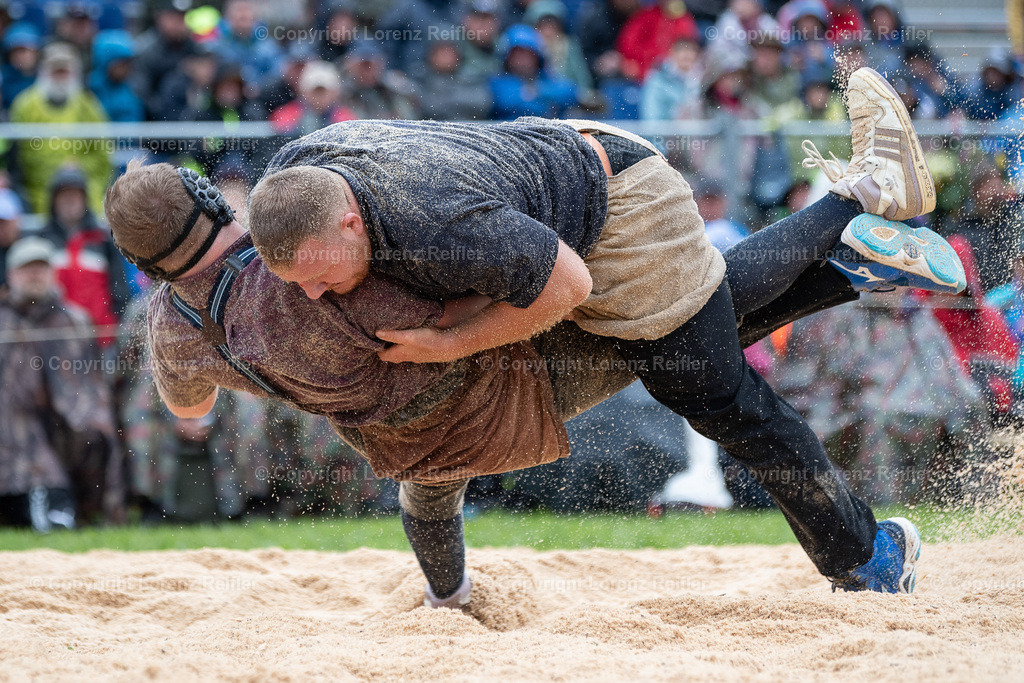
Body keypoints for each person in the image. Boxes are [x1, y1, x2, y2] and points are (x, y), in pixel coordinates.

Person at [243, 68, 964, 604]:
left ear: (350, 222)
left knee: (716, 393)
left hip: (622, 209)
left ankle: (860, 197)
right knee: (698, 334)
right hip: (565, 178)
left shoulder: (437, 223)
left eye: (321, 275)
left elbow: (568, 286)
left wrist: (450, 343)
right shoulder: (293, 182)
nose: (315, 294)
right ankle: (848, 264)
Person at [0, 237, 124, 530]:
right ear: (11, 274)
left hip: (67, 417)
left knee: (99, 430)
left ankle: (87, 509)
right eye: (26, 269)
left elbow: (93, 378)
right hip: (13, 421)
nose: (34, 275)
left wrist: (88, 412)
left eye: (40, 268)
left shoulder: (76, 320)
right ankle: (48, 506)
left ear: (52, 273)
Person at [8, 43, 111, 214]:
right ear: (44, 72)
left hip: (84, 193)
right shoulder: (24, 106)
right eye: (55, 71)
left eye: (65, 71)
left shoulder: (89, 106)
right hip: (37, 195)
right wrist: (53, 172)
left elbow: (102, 156)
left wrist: (78, 168)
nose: (60, 77)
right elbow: (19, 159)